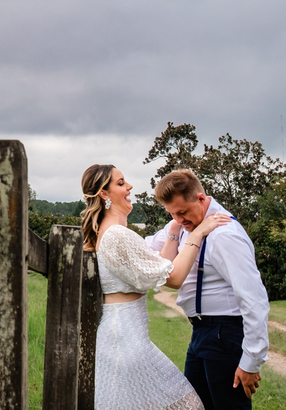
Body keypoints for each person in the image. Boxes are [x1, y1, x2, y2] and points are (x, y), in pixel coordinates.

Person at [82, 164, 230, 410]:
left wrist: (174, 229)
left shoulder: (111, 233)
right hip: (126, 343)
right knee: (190, 406)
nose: (129, 187)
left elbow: (160, 266)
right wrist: (199, 232)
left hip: (123, 339)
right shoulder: (118, 235)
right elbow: (173, 277)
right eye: (120, 183)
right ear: (104, 194)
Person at [147, 170, 270, 409]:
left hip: (224, 333)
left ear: (201, 199)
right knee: (196, 406)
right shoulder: (184, 225)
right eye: (172, 214)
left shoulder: (224, 235)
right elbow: (149, 245)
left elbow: (253, 299)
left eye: (182, 212)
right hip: (202, 331)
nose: (178, 219)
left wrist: (251, 362)